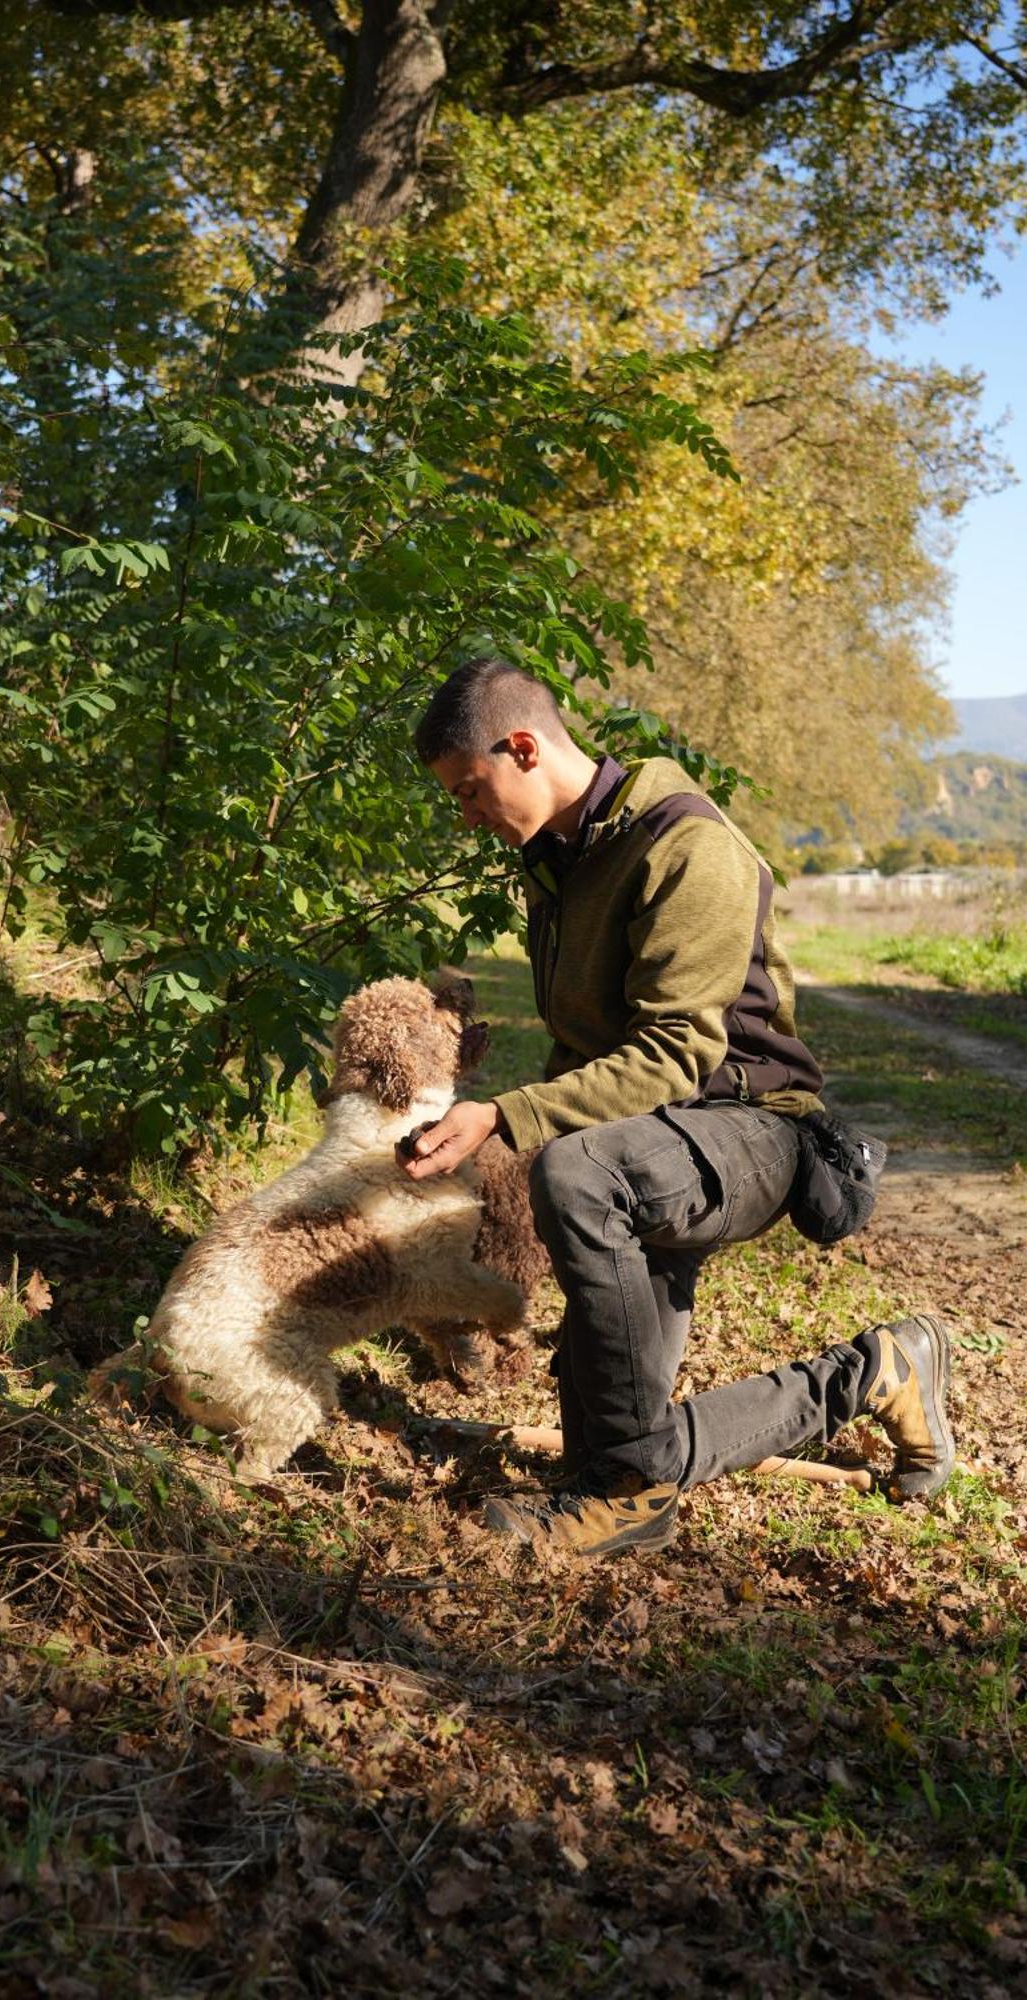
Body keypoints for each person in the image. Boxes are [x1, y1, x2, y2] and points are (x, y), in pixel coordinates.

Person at [401, 658, 953, 1557]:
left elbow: (675, 1054)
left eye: (470, 790)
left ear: (524, 747)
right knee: (608, 1437)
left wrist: (506, 1117)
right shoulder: (558, 864)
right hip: (650, 1143)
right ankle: (873, 1373)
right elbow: (584, 1048)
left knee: (577, 1170)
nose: (467, 815)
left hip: (755, 1130)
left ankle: (632, 1495)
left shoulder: (685, 845)